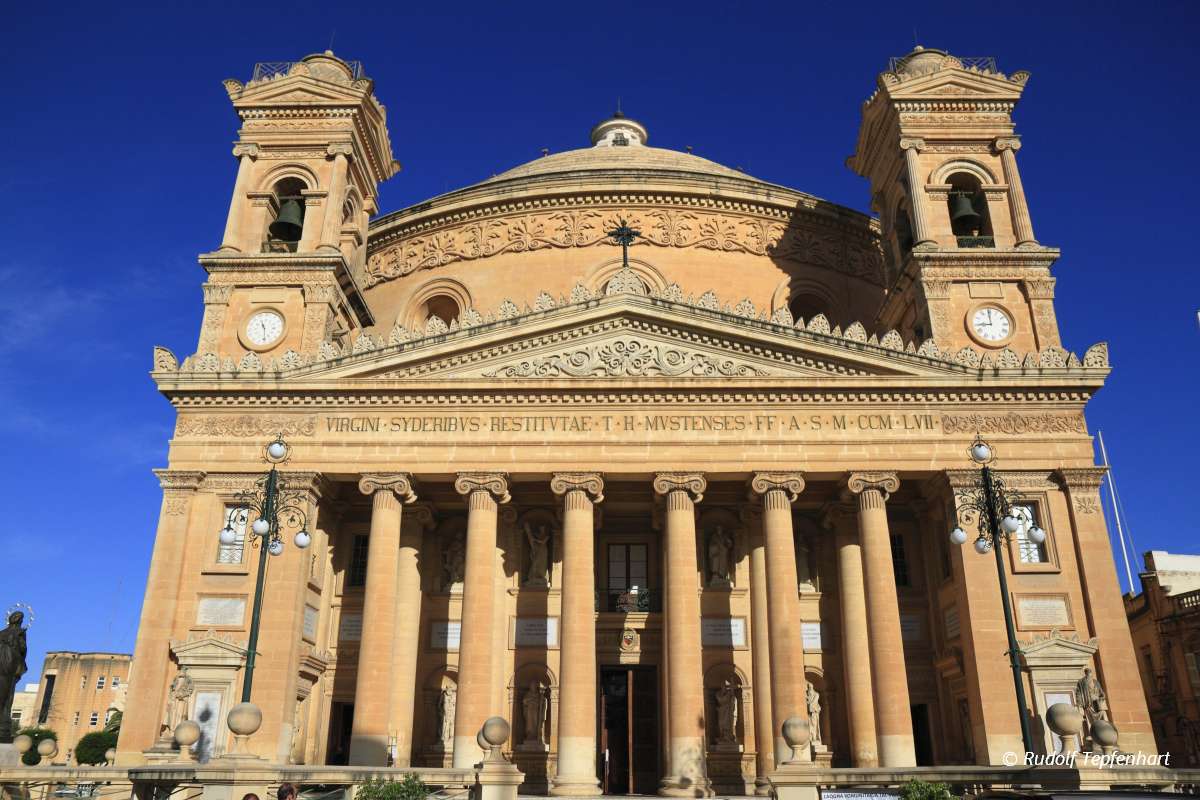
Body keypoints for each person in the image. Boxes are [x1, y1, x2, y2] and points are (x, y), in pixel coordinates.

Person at [0, 610, 28, 743]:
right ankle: (4, 722)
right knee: (8, 695)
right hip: (10, 666)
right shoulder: (20, 632)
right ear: (19, 620)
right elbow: (23, 649)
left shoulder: (2, 633)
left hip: (2, 665)